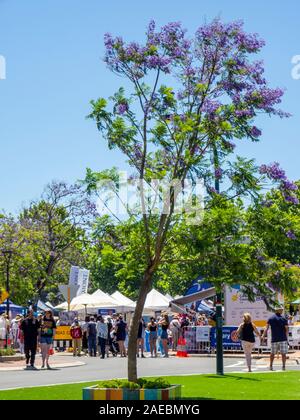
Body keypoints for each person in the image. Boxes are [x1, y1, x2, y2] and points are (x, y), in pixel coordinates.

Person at [262, 307, 289, 371]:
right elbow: (287, 329)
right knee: (283, 354)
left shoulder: (271, 318)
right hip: (283, 339)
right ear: (278, 310)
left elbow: (266, 328)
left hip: (274, 339)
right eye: (281, 310)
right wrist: (286, 337)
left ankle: (271, 366)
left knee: (272, 353)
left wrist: (263, 335)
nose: (282, 310)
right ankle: (283, 366)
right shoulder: (284, 319)